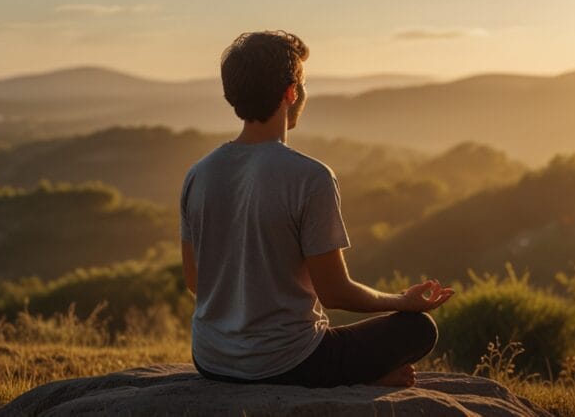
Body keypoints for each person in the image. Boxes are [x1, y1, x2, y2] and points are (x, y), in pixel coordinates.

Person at [179, 30, 455, 388]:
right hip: (290, 364)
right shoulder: (311, 177)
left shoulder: (198, 174)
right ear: (291, 92)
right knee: (418, 329)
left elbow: (194, 281)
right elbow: (335, 292)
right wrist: (402, 300)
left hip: (211, 360)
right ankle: (362, 378)